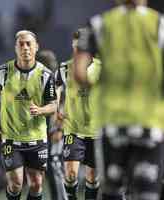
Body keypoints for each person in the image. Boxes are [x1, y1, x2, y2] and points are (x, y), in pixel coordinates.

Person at [74, 0, 164, 200]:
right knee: (147, 193)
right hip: (150, 121)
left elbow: (79, 73)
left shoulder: (99, 24)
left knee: (113, 192)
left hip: (112, 122)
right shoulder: (159, 24)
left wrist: (103, 89)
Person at [0, 30, 57, 200]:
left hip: (37, 139)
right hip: (11, 140)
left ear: (36, 47)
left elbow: (53, 105)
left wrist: (40, 110)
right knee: (16, 183)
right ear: (15, 48)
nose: (25, 48)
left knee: (36, 183)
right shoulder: (3, 72)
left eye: (28, 44)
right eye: (21, 44)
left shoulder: (45, 75)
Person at [55, 30, 101, 200]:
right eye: (75, 47)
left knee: (92, 177)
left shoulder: (101, 68)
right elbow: (56, 88)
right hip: (73, 129)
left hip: (96, 131)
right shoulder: (64, 67)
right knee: (71, 173)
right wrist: (56, 108)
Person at [37, 49, 68, 200]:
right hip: (41, 132)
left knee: (55, 165)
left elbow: (63, 106)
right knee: (49, 168)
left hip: (55, 130)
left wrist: (59, 128)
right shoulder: (36, 81)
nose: (52, 66)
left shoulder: (57, 82)